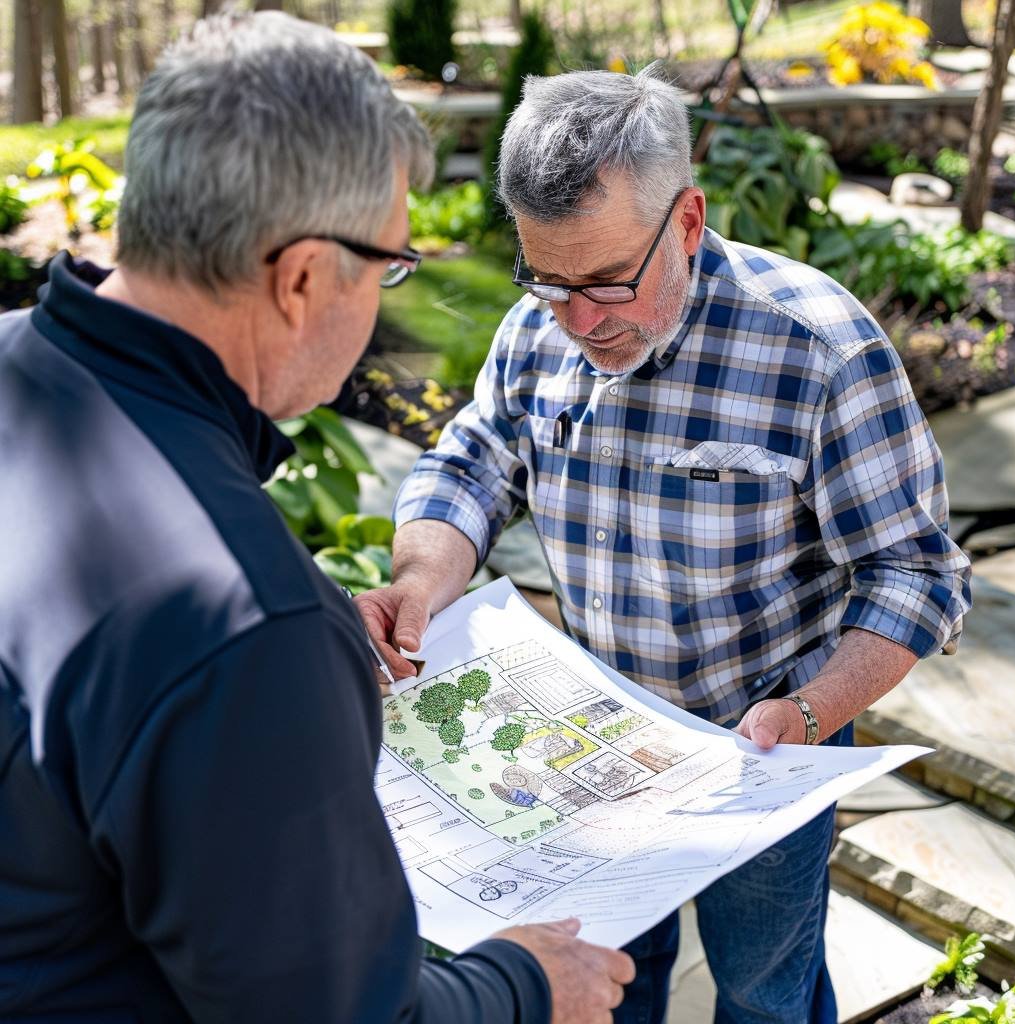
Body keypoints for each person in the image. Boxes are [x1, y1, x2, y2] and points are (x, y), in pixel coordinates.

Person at [0, 15, 635, 1024]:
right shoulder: (241, 626)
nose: (384, 299)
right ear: (301, 277)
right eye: (387, 263)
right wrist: (526, 984)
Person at [356, 66, 972, 1024]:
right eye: (547, 281)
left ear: (686, 220)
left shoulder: (816, 348)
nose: (579, 321)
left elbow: (918, 572)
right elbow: (474, 463)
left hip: (767, 750)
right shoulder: (539, 331)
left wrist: (807, 714)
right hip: (587, 758)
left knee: (764, 996)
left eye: (606, 283)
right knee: (598, 990)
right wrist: (421, 583)